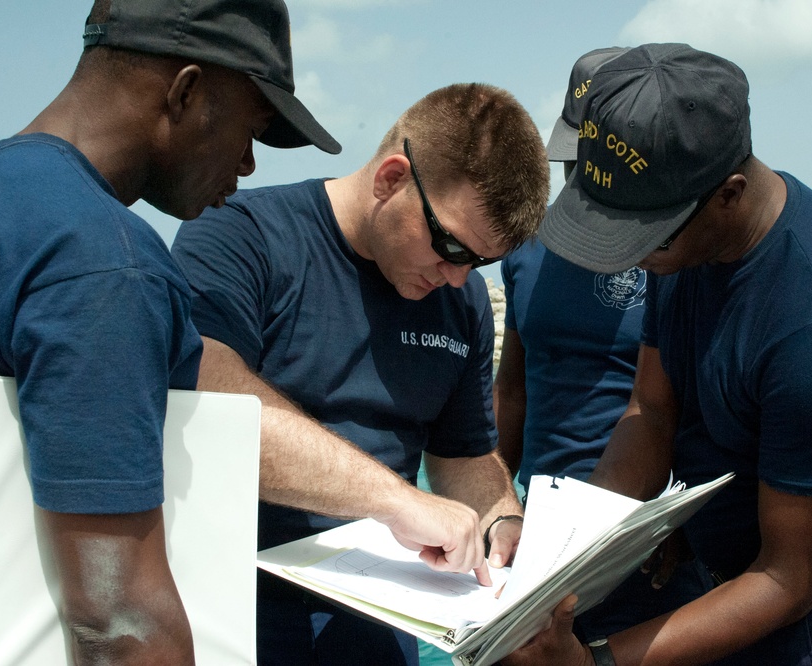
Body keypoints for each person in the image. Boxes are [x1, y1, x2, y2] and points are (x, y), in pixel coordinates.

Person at [0, 1, 341, 664]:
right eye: (249, 129)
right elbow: (120, 625)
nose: (248, 165)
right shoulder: (99, 260)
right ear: (185, 90)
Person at [505, 42, 812, 666]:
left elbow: (788, 581)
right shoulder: (680, 234)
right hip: (729, 571)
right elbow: (651, 410)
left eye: (643, 240)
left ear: (729, 193)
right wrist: (567, 561)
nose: (632, 259)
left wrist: (598, 661)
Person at [170, 82, 550, 665]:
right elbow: (211, 400)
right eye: (449, 246)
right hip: (235, 614)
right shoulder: (240, 237)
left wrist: (502, 521)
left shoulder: (464, 301)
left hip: (383, 623)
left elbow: (464, 453)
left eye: (480, 261)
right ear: (391, 178)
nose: (457, 277)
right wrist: (398, 501)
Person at [495, 47, 711, 643]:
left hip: (646, 543)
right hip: (541, 543)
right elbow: (512, 389)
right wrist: (492, 503)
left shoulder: (676, 254)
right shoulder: (525, 249)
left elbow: (687, 407)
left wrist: (682, 526)